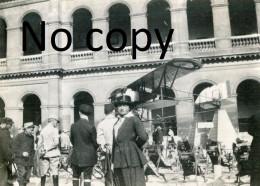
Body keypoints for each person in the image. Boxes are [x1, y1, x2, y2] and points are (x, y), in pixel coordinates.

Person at [112, 95, 148, 186]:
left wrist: (133, 146)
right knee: (121, 183)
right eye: (120, 105)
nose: (122, 108)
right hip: (119, 158)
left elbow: (143, 137)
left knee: (132, 182)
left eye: (124, 105)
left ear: (129, 107)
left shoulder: (134, 119)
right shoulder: (117, 122)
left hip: (131, 158)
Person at [70, 104, 98, 186]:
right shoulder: (91, 127)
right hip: (88, 156)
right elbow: (95, 143)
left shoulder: (73, 126)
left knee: (75, 176)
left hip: (76, 156)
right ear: (89, 114)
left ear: (79, 113)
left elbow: (72, 140)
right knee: (87, 178)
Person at [97, 103, 118, 186]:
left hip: (106, 153)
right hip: (118, 152)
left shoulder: (101, 124)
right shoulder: (118, 121)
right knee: (118, 175)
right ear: (113, 111)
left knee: (107, 175)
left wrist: (106, 148)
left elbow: (99, 140)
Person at [38, 118, 60, 186]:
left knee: (44, 171)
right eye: (56, 122)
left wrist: (43, 149)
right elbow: (56, 142)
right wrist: (48, 148)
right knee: (55, 171)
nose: (56, 123)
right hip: (53, 154)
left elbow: (39, 143)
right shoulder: (55, 130)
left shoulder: (43, 130)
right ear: (53, 121)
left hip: (45, 154)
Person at [0, 118, 14, 186]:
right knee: (3, 180)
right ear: (5, 124)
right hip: (2, 160)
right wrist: (10, 159)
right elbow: (6, 148)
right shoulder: (5, 133)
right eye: (10, 124)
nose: (11, 126)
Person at [248, 112, 260, 186]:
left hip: (256, 148)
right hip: (257, 149)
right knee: (256, 171)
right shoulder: (255, 116)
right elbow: (249, 130)